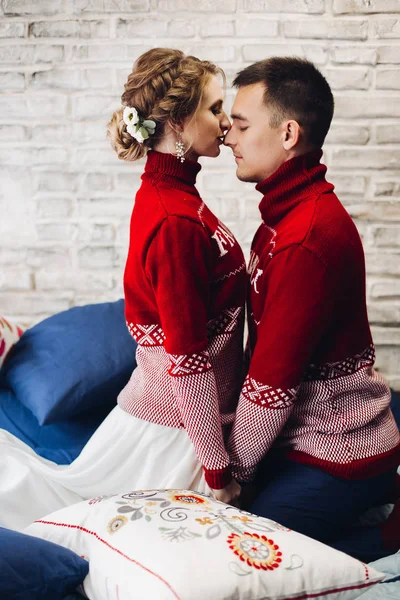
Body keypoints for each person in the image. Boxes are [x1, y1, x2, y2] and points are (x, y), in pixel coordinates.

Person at [0, 48, 246, 531]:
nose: (226, 123)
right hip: (178, 431)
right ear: (177, 119)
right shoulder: (173, 218)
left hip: (177, 418)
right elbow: (188, 358)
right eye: (215, 108)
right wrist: (216, 468)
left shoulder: (174, 195)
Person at [223, 56, 400, 562]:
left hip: (340, 450)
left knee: (246, 550)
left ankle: (387, 532)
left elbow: (271, 385)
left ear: (288, 133)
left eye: (241, 124)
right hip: (300, 434)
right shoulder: (284, 218)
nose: (229, 137)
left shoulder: (305, 237)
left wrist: (237, 474)